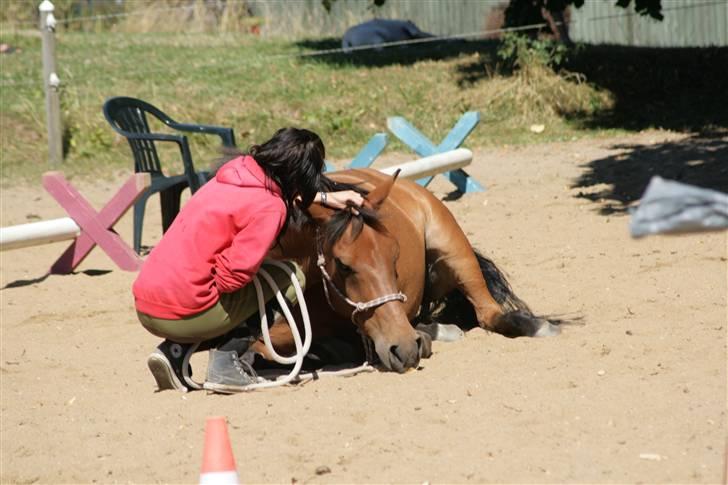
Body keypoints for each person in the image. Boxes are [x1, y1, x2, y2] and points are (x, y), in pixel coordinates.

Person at [132, 127, 364, 394]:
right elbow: (232, 278)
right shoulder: (270, 206)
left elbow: (274, 193)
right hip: (184, 315)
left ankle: (174, 351)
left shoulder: (231, 177)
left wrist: (325, 197)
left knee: (229, 282)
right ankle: (226, 364)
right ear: (303, 176)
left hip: (148, 306)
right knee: (288, 275)